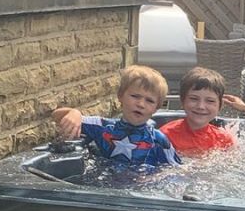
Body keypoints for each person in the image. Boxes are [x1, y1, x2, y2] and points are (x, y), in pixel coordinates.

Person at [51, 64, 180, 166]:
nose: (141, 104)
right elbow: (56, 117)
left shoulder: (158, 140)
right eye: (135, 96)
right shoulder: (103, 127)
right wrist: (75, 113)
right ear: (120, 96)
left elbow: (175, 170)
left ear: (156, 108)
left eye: (149, 101)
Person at [159, 67, 235, 156]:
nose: (201, 106)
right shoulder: (166, 136)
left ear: (220, 105)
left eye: (210, 101)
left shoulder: (224, 140)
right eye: (194, 99)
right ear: (183, 101)